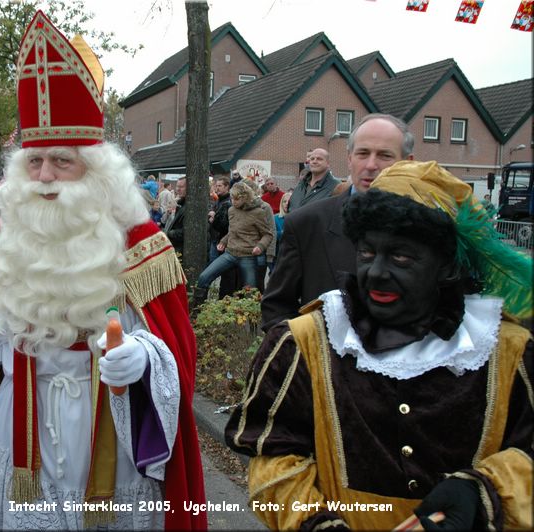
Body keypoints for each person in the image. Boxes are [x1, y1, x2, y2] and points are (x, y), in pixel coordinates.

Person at [0, 11, 206, 530]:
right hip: (20, 432)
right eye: (34, 162)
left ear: (96, 168)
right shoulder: (18, 237)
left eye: (62, 162)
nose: (45, 177)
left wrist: (141, 359)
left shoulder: (141, 245)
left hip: (109, 434)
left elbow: (170, 346)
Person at [226, 160, 533, 531]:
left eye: (401, 256)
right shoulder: (305, 341)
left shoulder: (507, 350)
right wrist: (317, 523)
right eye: (367, 253)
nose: (376, 273)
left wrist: (484, 493)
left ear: (448, 265)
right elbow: (274, 457)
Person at [261, 113, 415, 331]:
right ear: (349, 158)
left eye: (384, 155)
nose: (371, 165)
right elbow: (276, 308)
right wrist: (310, 355)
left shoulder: (432, 229)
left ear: (407, 163)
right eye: (363, 153)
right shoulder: (307, 224)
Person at [193, 181, 274, 306]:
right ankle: (196, 312)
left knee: (251, 293)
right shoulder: (232, 210)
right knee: (204, 277)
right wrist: (223, 241)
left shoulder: (259, 212)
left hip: (248, 256)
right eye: (232, 198)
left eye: (236, 199)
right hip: (230, 253)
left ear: (245, 197)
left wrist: (260, 246)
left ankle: (252, 323)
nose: (233, 201)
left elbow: (268, 234)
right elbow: (233, 231)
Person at [287, 147, 338, 213]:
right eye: (312, 159)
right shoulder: (301, 185)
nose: (314, 161)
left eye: (319, 159)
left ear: (328, 163)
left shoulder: (336, 187)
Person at [208, 175, 232, 262]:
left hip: (224, 239)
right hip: (214, 237)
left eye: (220, 186)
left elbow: (227, 222)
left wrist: (215, 218)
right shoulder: (218, 200)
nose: (217, 188)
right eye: (216, 186)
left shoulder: (230, 201)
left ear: (227, 187)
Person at [164, 176, 187, 256]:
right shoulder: (180, 204)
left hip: (182, 250)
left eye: (181, 187)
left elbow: (185, 232)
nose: (178, 189)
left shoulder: (189, 207)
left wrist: (169, 233)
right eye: (177, 186)